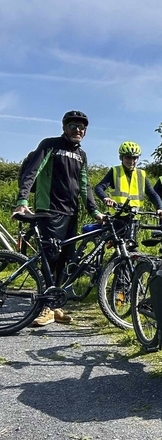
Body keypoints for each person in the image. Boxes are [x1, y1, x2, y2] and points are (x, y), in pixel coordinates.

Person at [14, 110, 104, 326]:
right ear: (64, 127)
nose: (78, 130)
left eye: (82, 127)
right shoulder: (50, 145)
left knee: (64, 259)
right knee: (50, 258)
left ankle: (55, 306)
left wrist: (95, 212)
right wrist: (22, 201)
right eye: (73, 126)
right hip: (49, 211)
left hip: (71, 213)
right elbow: (32, 172)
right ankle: (44, 307)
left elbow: (85, 186)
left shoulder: (81, 155)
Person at [94, 141, 162, 222]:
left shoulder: (141, 174)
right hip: (117, 216)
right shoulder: (115, 171)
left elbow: (152, 193)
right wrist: (106, 198)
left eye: (135, 158)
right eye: (128, 157)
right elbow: (99, 187)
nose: (131, 161)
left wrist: (160, 208)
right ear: (121, 157)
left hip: (134, 218)